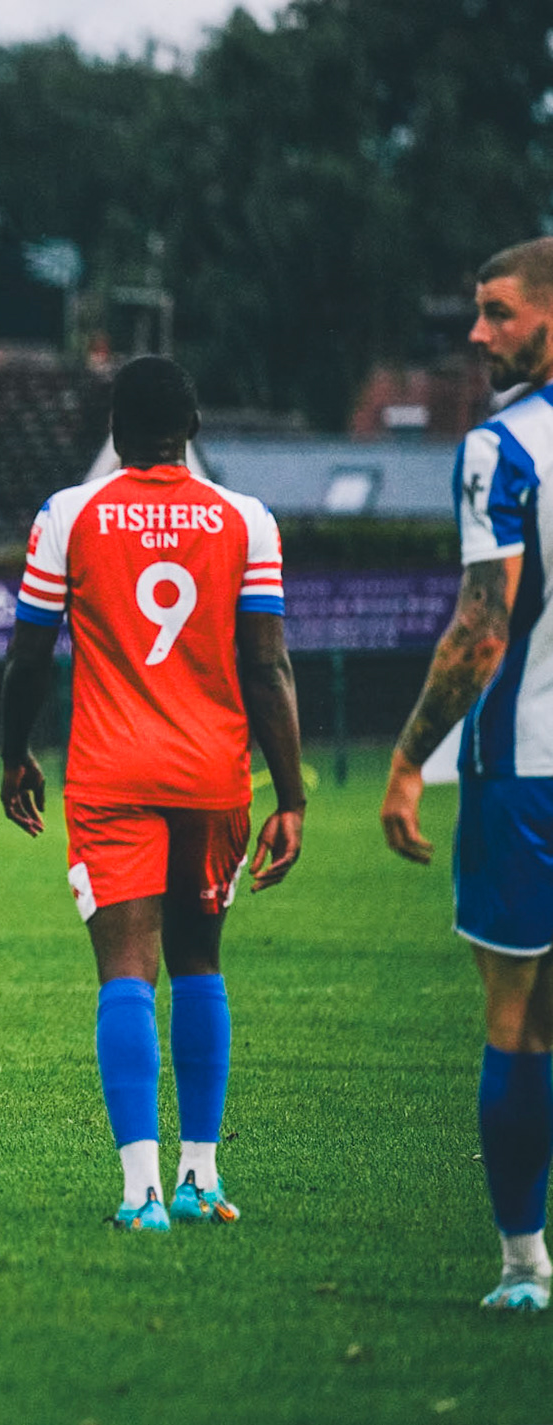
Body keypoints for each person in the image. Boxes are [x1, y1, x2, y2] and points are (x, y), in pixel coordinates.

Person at [0, 355, 304, 1229]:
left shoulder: (69, 514)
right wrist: (291, 797)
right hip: (213, 774)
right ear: (193, 429)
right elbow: (268, 665)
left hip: (112, 774)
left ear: (116, 431)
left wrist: (14, 755)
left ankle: (141, 1192)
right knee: (199, 961)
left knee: (126, 970)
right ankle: (201, 1176)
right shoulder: (248, 520)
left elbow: (29, 655)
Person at [381, 236, 553, 1311]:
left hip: (525, 772)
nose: (478, 334)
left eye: (498, 313)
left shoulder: (504, 447)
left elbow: (484, 624)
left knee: (518, 1019)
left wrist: (408, 761)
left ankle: (523, 1264)